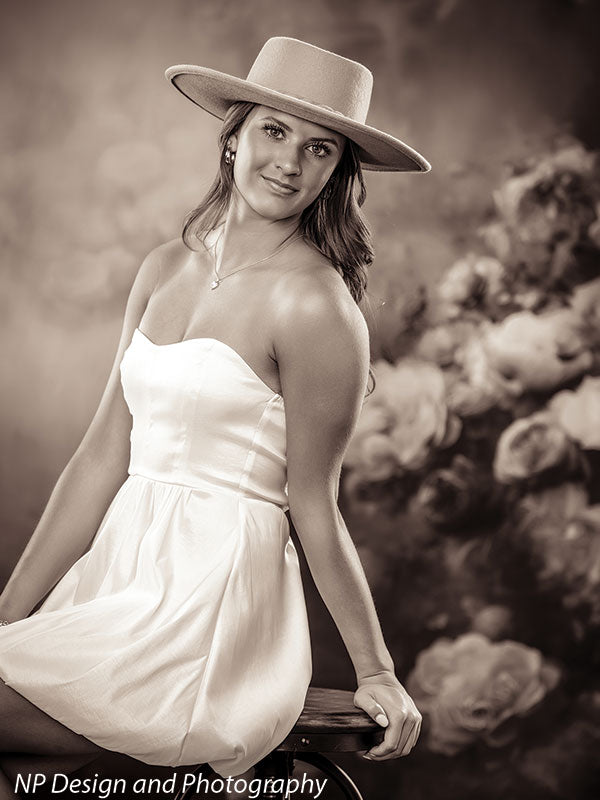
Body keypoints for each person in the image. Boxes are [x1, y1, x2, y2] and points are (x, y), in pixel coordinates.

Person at [0, 36, 431, 796]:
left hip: (207, 610)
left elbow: (315, 505)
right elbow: (102, 457)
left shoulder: (315, 306)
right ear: (232, 134)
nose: (290, 163)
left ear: (338, 171)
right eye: (273, 131)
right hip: (117, 584)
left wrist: (378, 671)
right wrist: (8, 613)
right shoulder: (165, 267)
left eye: (319, 148)